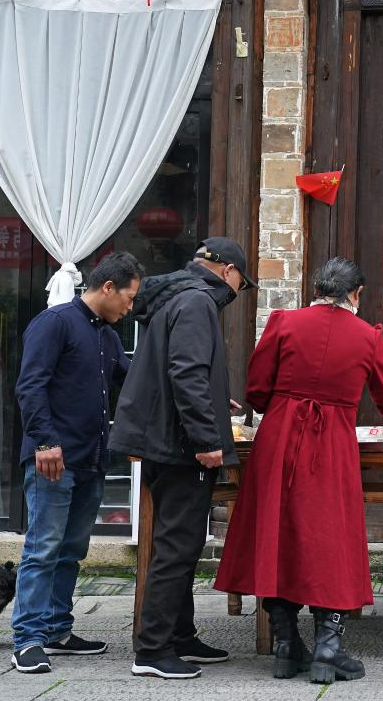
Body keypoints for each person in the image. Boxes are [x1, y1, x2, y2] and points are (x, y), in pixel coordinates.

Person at [214, 257, 383, 684]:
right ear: (356, 294)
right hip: (330, 445)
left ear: (315, 290)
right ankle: (329, 647)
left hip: (278, 439)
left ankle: (286, 644)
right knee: (331, 537)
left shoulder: (283, 323)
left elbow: (257, 390)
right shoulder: (367, 336)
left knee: (277, 533)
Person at [109, 238, 254, 679]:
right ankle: (153, 650)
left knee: (178, 543)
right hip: (180, 445)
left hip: (160, 437)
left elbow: (175, 371)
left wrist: (216, 400)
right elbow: (186, 372)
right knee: (178, 546)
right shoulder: (197, 302)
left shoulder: (175, 296)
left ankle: (180, 635)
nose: (238, 292)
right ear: (228, 271)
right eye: (241, 283)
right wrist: (206, 438)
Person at [12, 252, 143, 673]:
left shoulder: (106, 336)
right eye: (128, 297)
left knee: (70, 551)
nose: (130, 307)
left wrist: (202, 394)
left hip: (91, 458)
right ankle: (28, 639)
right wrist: (45, 442)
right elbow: (30, 385)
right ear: (108, 287)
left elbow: (134, 378)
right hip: (53, 459)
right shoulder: (54, 322)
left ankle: (57, 630)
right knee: (43, 548)